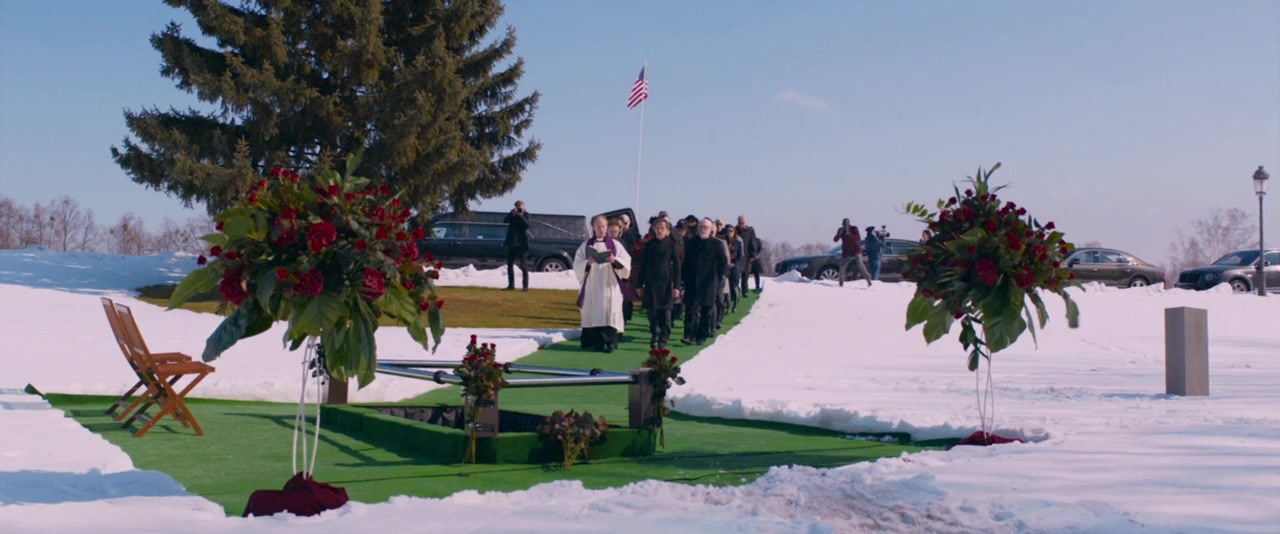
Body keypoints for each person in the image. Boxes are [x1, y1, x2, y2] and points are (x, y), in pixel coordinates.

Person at [573, 215, 632, 352]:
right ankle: (596, 343)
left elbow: (626, 261)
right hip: (592, 284)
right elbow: (577, 264)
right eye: (598, 227)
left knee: (610, 311)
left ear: (607, 227)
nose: (601, 229)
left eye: (603, 226)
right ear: (593, 227)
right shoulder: (586, 245)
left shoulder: (615, 245)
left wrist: (615, 260)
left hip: (609, 284)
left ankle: (611, 342)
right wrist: (587, 263)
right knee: (594, 311)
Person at [634, 218, 681, 349]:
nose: (660, 231)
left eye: (662, 228)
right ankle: (655, 333)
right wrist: (639, 285)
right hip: (651, 284)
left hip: (666, 284)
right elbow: (643, 266)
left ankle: (663, 339)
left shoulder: (672, 245)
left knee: (666, 316)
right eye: (658, 228)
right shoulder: (648, 245)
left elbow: (677, 267)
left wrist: (677, 286)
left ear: (667, 231)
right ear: (654, 230)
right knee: (652, 313)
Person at [681, 218, 727, 345]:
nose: (703, 229)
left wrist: (719, 278)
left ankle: (701, 335)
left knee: (706, 311)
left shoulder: (717, 244)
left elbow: (723, 263)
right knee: (690, 310)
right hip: (692, 281)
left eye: (705, 227)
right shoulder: (691, 242)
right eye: (701, 227)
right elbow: (686, 262)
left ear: (711, 229)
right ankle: (689, 335)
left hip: (709, 283)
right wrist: (683, 280)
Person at [608, 219, 637, 324]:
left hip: (619, 275)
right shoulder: (602, 243)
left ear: (619, 231)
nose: (613, 234)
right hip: (605, 276)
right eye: (611, 232)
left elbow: (625, 260)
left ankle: (622, 320)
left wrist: (615, 261)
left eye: (615, 232)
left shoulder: (621, 243)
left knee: (621, 299)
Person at [834, 218, 872, 287]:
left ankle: (869, 281)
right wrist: (839, 234)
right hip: (847, 252)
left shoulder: (854, 228)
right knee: (842, 267)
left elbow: (858, 238)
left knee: (861, 265)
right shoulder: (841, 230)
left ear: (849, 224)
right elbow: (835, 240)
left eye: (846, 224)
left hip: (856, 250)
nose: (845, 226)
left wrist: (849, 234)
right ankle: (840, 283)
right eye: (844, 224)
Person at [503, 200, 531, 291]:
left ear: (524, 207)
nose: (519, 209)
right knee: (510, 265)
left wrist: (521, 215)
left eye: (520, 208)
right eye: (518, 208)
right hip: (512, 243)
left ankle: (525, 286)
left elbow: (527, 225)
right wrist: (513, 214)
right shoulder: (513, 214)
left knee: (523, 265)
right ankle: (511, 285)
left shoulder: (526, 215)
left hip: (522, 243)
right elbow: (505, 221)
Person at [735, 216, 762, 292]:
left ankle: (745, 291)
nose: (741, 224)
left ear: (746, 223)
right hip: (737, 255)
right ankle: (736, 290)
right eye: (740, 223)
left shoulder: (750, 231)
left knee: (745, 274)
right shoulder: (735, 230)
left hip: (747, 256)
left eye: (742, 223)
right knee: (737, 274)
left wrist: (753, 255)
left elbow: (753, 243)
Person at [724, 225, 744, 313]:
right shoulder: (723, 242)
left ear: (734, 232)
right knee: (726, 288)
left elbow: (740, 256)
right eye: (727, 231)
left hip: (735, 268)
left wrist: (734, 264)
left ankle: (735, 305)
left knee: (734, 286)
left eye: (731, 231)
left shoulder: (738, 243)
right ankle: (728, 306)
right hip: (726, 267)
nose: (729, 233)